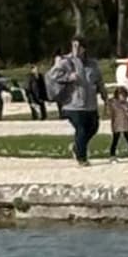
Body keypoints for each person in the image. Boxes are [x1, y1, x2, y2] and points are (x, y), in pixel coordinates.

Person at [48, 38, 103, 167]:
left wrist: (105, 96)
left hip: (90, 103)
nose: (76, 49)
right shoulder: (66, 62)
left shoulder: (93, 64)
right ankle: (81, 157)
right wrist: (68, 77)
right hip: (73, 103)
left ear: (84, 48)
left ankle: (77, 146)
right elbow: (52, 75)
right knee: (81, 129)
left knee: (93, 127)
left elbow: (99, 81)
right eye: (74, 46)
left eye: (79, 46)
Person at [105, 83, 128, 162]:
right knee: (115, 140)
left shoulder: (127, 104)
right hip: (116, 124)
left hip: (125, 124)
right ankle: (112, 155)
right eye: (121, 95)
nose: (123, 97)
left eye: (124, 95)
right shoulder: (113, 103)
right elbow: (108, 112)